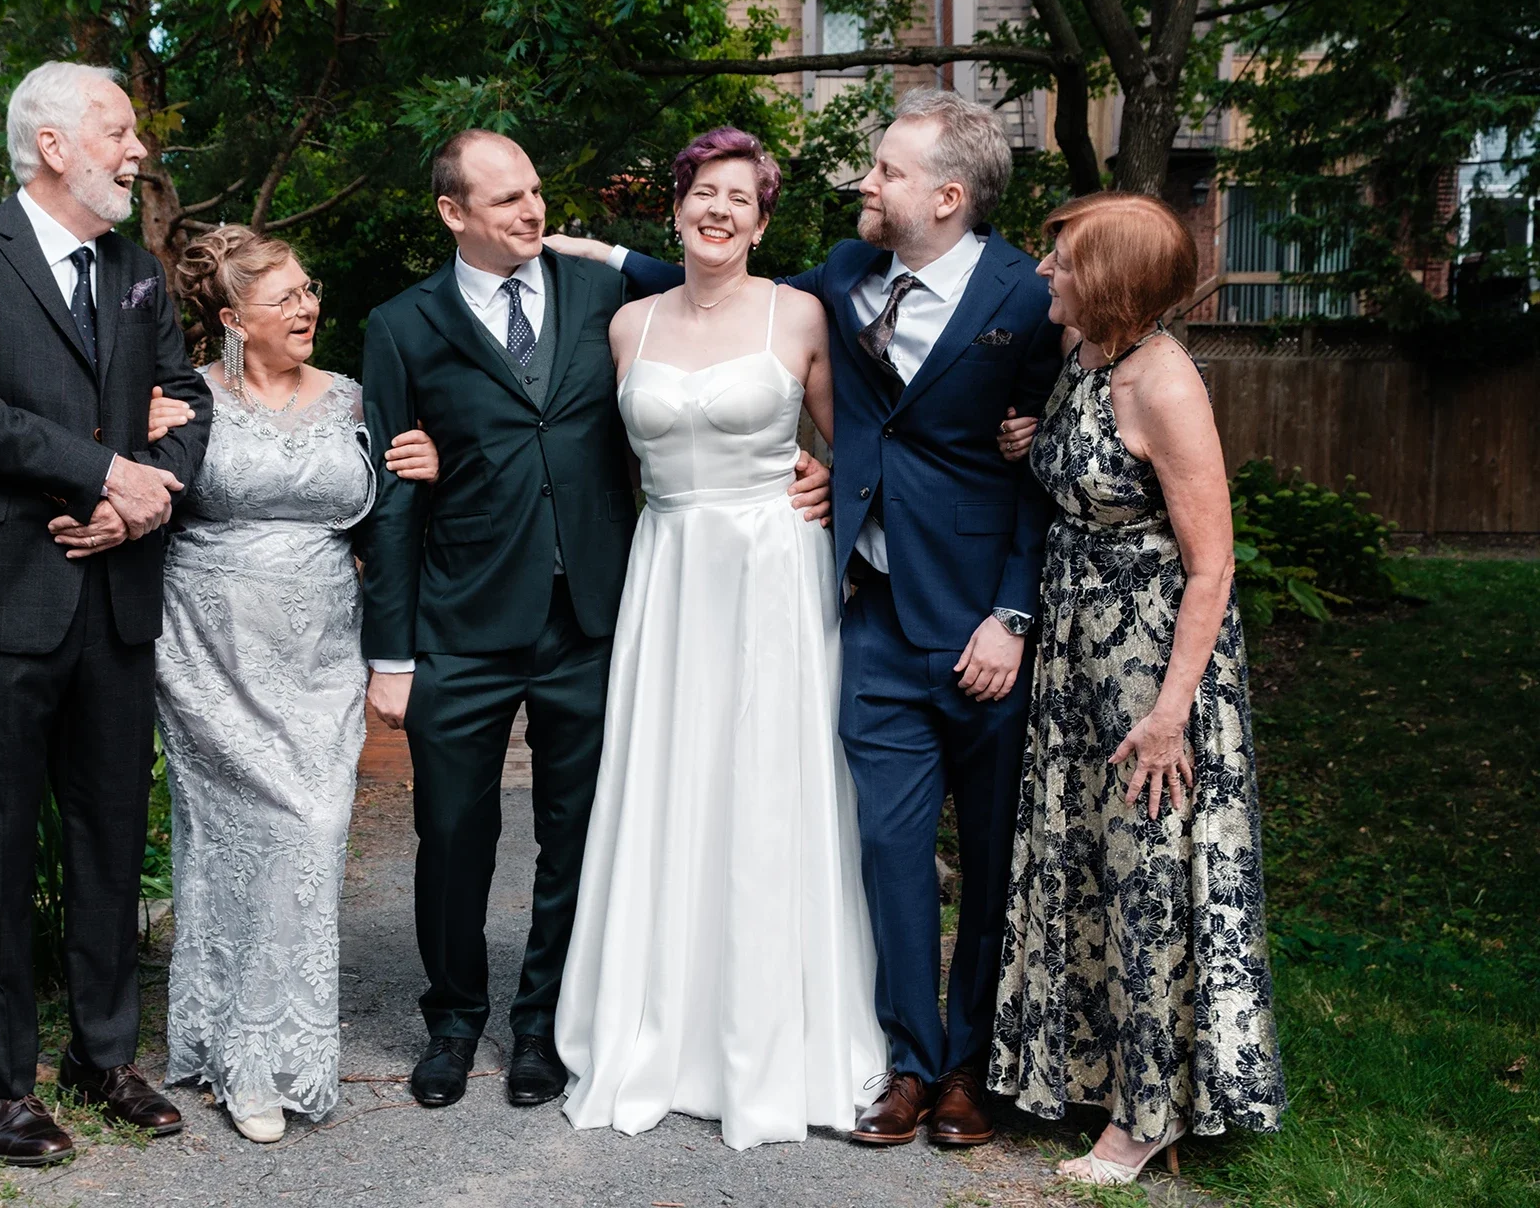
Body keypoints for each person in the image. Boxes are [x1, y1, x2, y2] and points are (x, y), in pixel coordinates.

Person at [550, 88, 1064, 1148]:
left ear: (948, 194)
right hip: (861, 607)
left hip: (975, 612)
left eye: (884, 171)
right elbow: (706, 286)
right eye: (706, 192)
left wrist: (1014, 608)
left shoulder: (1024, 295)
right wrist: (606, 254)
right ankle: (909, 1060)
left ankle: (968, 1066)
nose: (865, 184)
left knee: (991, 845)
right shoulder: (843, 276)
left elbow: (1046, 474)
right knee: (879, 843)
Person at [356, 130, 830, 1113]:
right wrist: (390, 648)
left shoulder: (608, 302)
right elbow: (394, 496)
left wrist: (817, 466)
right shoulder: (402, 326)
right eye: (508, 201)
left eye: (537, 190)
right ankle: (453, 1019)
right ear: (453, 214)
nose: (533, 212)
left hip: (596, 614)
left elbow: (712, 288)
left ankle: (544, 1023)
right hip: (462, 615)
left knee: (580, 831)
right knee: (452, 829)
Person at [0, 61, 211, 1165]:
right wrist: (104, 470)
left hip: (114, 592)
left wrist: (140, 500)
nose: (137, 150)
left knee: (110, 834)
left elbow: (190, 398)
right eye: (119, 132)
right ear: (52, 146)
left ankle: (102, 1052)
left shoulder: (136, 269)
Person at [554, 128, 885, 1150]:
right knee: (670, 781)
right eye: (705, 190)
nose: (721, 209)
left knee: (764, 785)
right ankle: (659, 1025)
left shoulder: (802, 313)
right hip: (670, 570)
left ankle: (771, 1035)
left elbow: (853, 444)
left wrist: (833, 483)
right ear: (678, 204)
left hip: (770, 569)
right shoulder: (628, 326)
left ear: (765, 219)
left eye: (742, 197)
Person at [987, 192, 1286, 1182]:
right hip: (1076, 654)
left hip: (1147, 667)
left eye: (1062, 258)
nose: (1043, 271)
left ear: (1108, 283)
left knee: (1146, 881)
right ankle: (1084, 1071)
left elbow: (1213, 563)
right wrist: (1040, 452)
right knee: (1087, 869)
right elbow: (1098, 474)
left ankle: (1146, 1113)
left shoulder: (1165, 383)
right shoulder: (1089, 356)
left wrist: (1169, 715)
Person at [149, 227, 440, 1144]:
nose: (307, 306)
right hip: (208, 649)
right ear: (235, 320)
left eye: (309, 290)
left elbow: (387, 520)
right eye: (284, 298)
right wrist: (124, 433)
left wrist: (425, 473)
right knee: (246, 837)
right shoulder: (184, 397)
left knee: (309, 838)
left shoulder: (356, 398)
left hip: (320, 657)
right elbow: (126, 479)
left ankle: (245, 1035)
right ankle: (245, 1059)